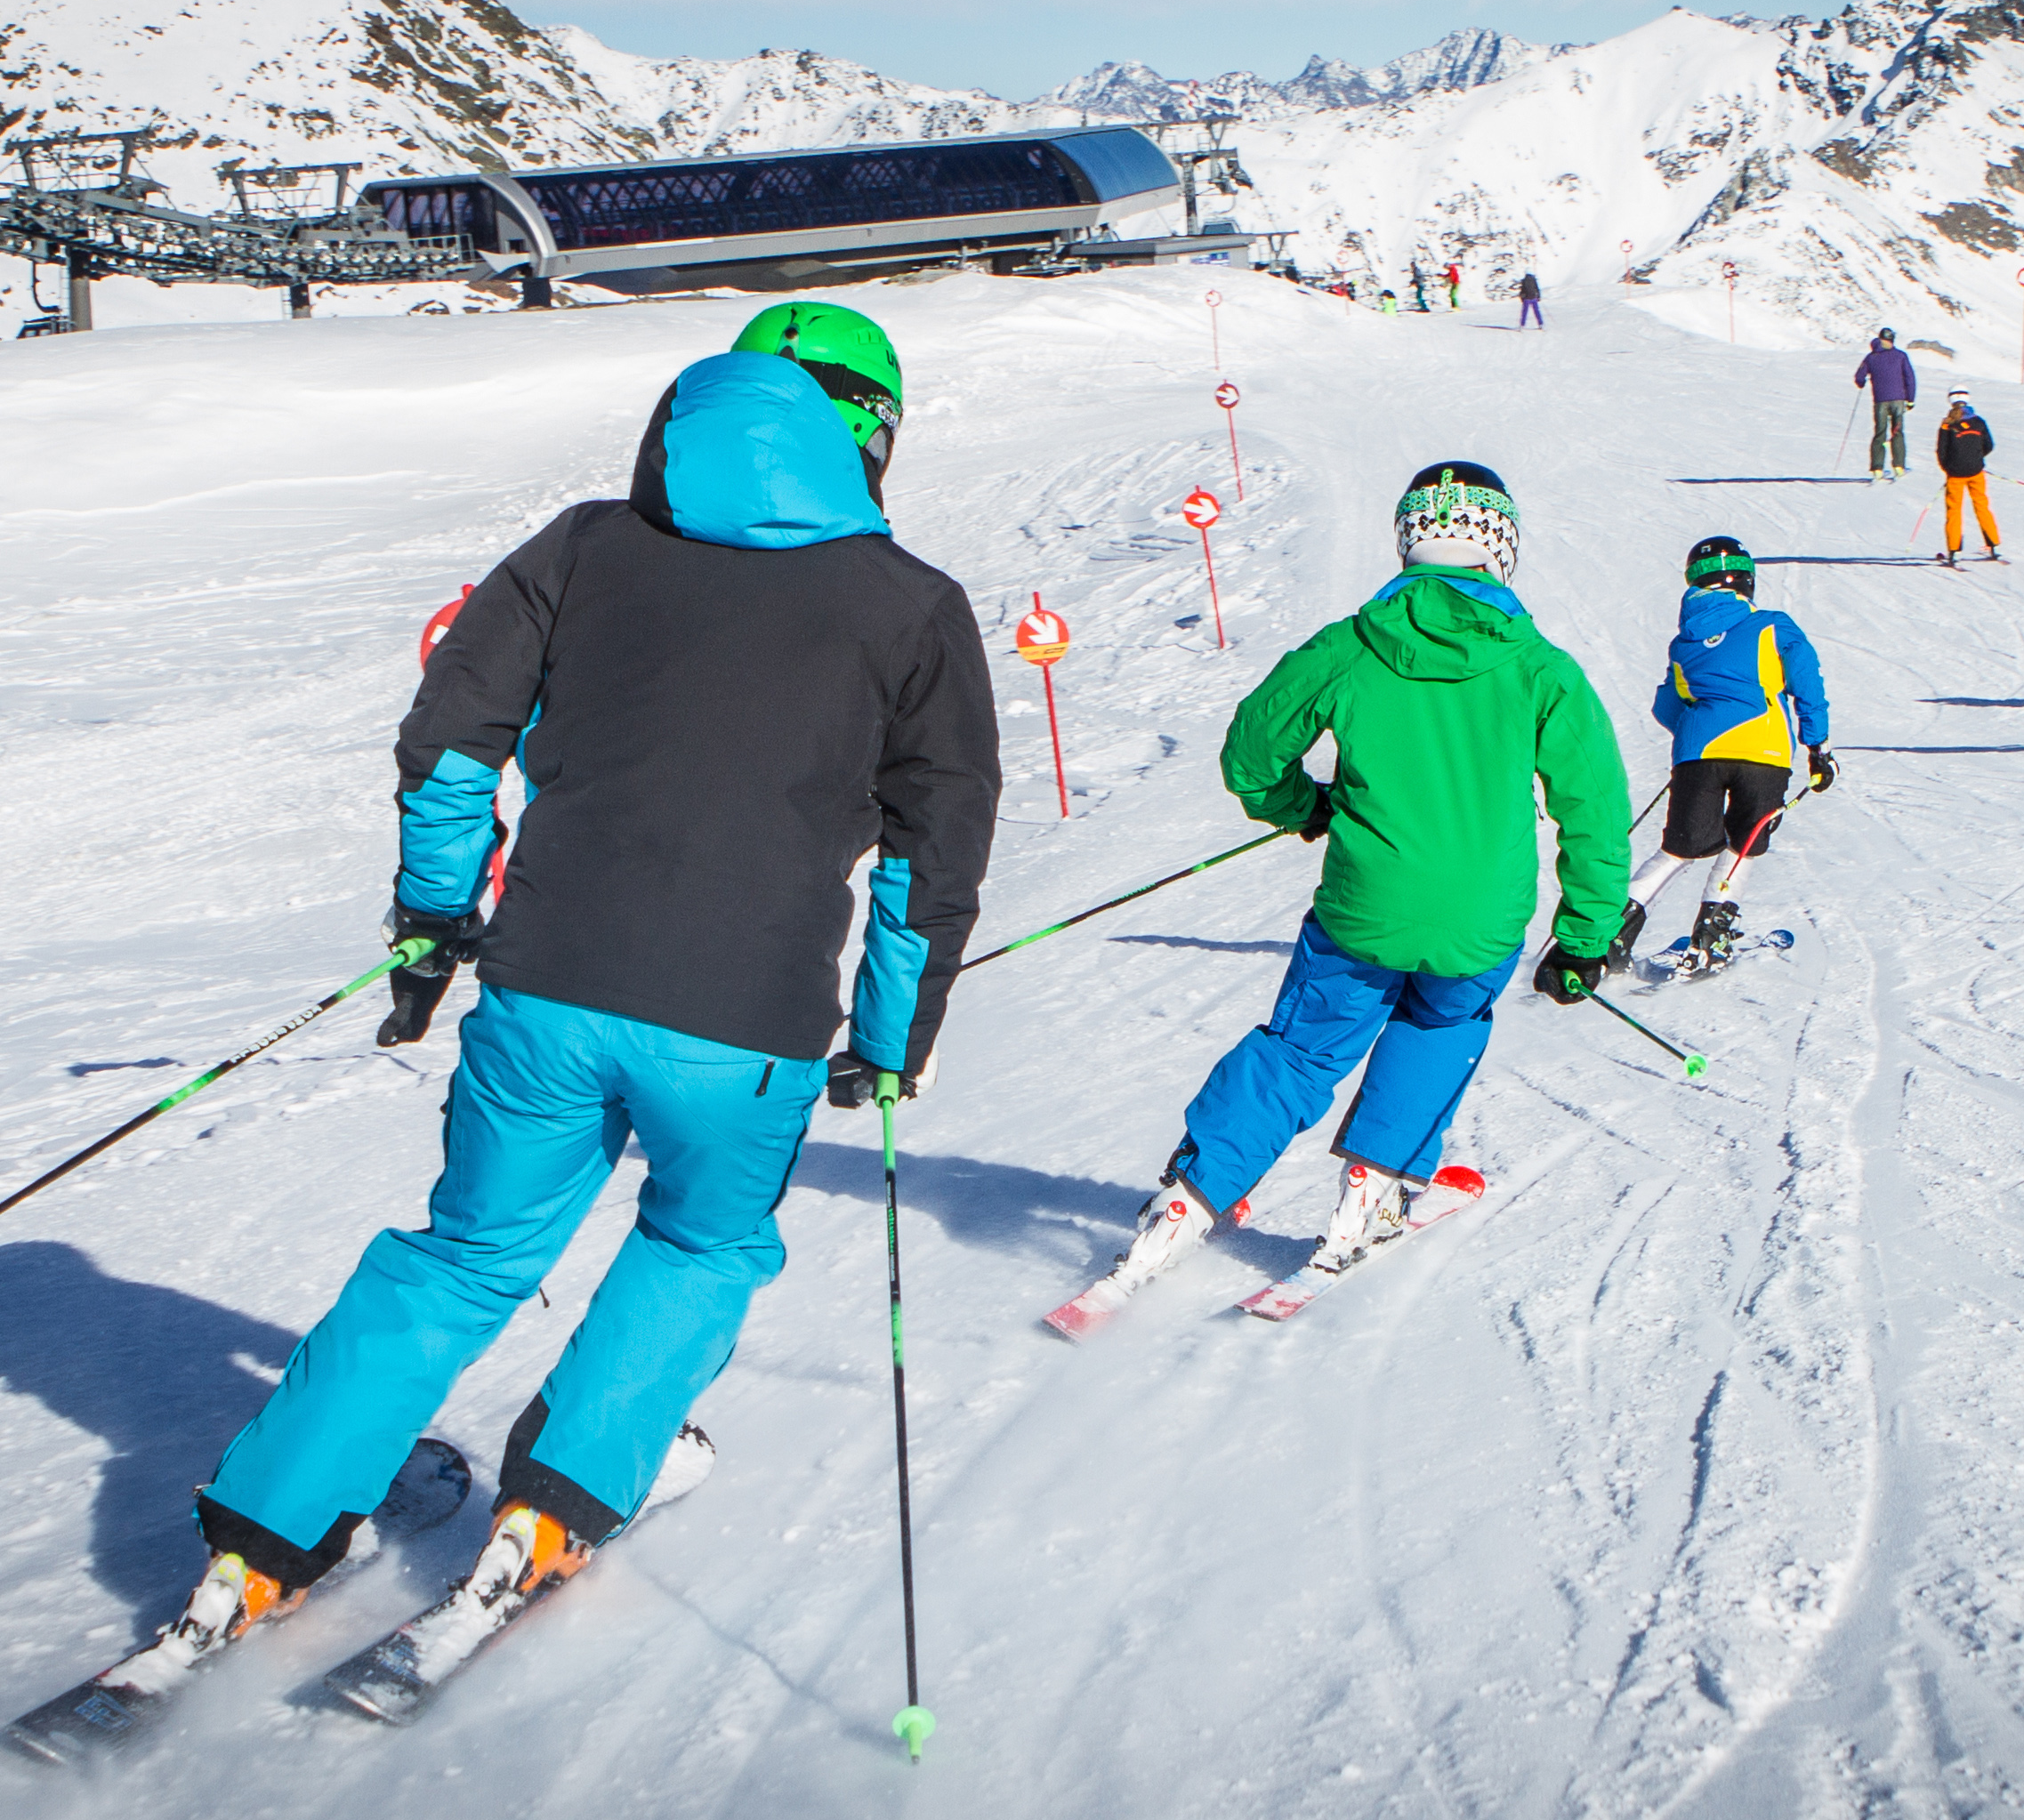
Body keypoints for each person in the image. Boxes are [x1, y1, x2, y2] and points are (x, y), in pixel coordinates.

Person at [150, 302, 1001, 1663]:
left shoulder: (583, 547)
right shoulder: (911, 606)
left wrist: (432, 924)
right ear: (873, 436)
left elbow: (448, 747)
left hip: (544, 993)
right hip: (746, 1026)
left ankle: (259, 1536)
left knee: (470, 1252)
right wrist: (891, 1034)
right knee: (698, 1243)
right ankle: (549, 1511)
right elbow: (930, 851)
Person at [1081, 463, 1629, 1308]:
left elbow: (1250, 755)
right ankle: (1368, 1198)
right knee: (1439, 1026)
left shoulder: (1349, 646)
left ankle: (1189, 1199)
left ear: (1408, 537)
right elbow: (1594, 810)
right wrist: (1585, 939)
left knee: (1300, 1049)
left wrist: (1305, 807)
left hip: (1362, 909)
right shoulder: (1540, 670)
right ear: (1502, 548)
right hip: (1479, 920)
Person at [1609, 536, 1833, 971]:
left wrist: (1699, 740)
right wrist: (1818, 748)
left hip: (1698, 755)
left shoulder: (1685, 643)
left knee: (1680, 849)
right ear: (1747, 581)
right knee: (1744, 841)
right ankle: (1712, 936)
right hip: (1763, 750)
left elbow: (1667, 706)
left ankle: (1613, 937)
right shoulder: (1772, 625)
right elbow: (1806, 679)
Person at [1935, 387, 2003, 565]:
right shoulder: (1978, 421)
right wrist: (1976, 459)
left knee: (1954, 510)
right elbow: (1989, 445)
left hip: (1955, 474)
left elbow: (1941, 451)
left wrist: (1948, 468)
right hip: (1976, 471)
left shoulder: (1947, 424)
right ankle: (1994, 545)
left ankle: (1954, 550)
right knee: (1982, 505)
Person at [1855, 327, 1915, 482]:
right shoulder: (1901, 356)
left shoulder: (1871, 357)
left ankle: (1877, 468)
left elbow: (1859, 377)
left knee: (1880, 433)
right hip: (1898, 399)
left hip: (1880, 400)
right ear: (1892, 340)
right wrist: (1910, 399)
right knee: (1897, 432)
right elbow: (1910, 378)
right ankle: (1899, 466)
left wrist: (1862, 383)